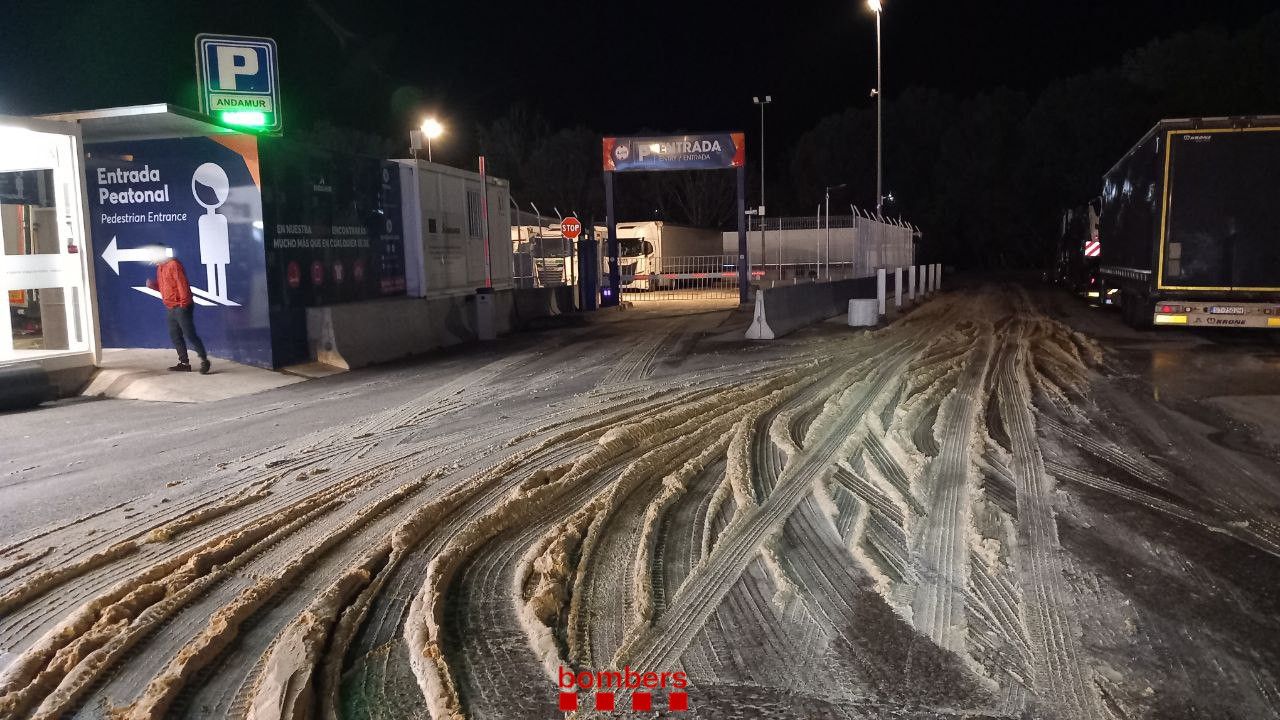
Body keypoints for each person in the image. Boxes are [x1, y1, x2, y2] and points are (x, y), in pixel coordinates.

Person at [146, 251, 210, 374]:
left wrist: (183, 304)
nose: (153, 262)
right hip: (171, 307)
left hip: (181, 306)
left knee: (190, 334)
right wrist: (154, 285)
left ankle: (204, 361)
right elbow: (165, 287)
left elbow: (182, 284)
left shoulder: (173, 265)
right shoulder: (160, 268)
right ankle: (184, 363)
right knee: (175, 335)